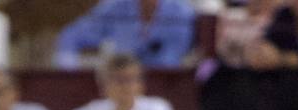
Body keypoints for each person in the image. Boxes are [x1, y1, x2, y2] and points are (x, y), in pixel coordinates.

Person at [45, 53, 174, 110]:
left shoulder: (158, 107)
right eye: (118, 80)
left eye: (131, 79)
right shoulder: (97, 108)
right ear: (103, 86)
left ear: (141, 84)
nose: (126, 86)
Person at [55, 0, 197, 68]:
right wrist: (70, 71)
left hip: (167, 87)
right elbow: (71, 36)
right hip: (119, 86)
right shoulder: (115, 7)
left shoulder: (183, 13)